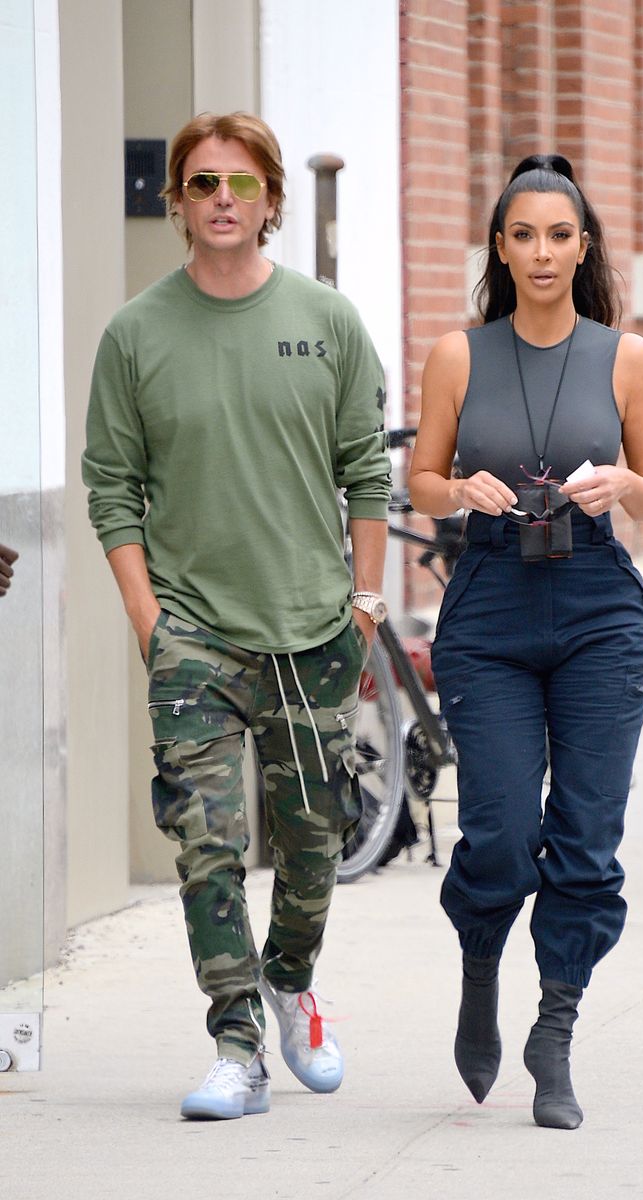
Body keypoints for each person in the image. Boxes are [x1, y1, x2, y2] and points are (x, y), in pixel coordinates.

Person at [82, 112, 391, 1121]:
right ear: (176, 199)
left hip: (312, 630)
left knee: (312, 844)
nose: (224, 198)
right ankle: (235, 1043)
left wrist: (367, 599)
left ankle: (291, 979)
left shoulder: (327, 320)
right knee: (206, 845)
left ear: (270, 200)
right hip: (196, 640)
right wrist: (149, 625)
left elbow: (365, 474)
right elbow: (112, 490)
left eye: (243, 183)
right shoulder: (136, 333)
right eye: (204, 182)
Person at [408, 154, 643, 1129]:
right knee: (504, 834)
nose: (542, 252)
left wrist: (620, 488)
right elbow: (423, 478)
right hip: (490, 609)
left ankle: (553, 1029)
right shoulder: (458, 355)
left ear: (583, 245)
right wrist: (457, 491)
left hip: (600, 607)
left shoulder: (626, 357)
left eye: (559, 235)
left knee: (587, 841)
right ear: (500, 247)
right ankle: (482, 961)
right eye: (523, 234)